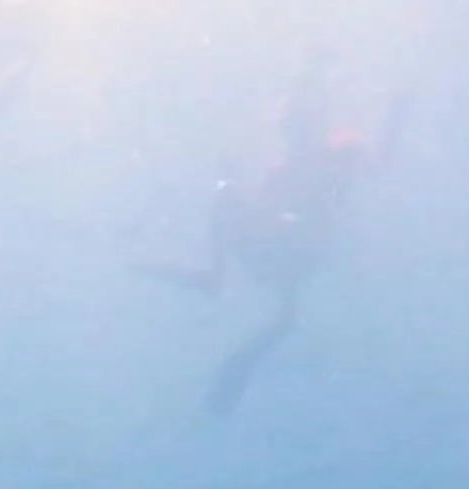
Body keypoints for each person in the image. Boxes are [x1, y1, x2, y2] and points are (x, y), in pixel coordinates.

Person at [134, 64, 407, 417]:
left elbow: (379, 161)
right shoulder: (284, 170)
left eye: (298, 127)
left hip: (298, 249)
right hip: (278, 250)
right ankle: (216, 280)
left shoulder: (334, 156)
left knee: (279, 273)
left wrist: (397, 115)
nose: (292, 135)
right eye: (290, 128)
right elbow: (256, 214)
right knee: (227, 194)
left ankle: (225, 296)